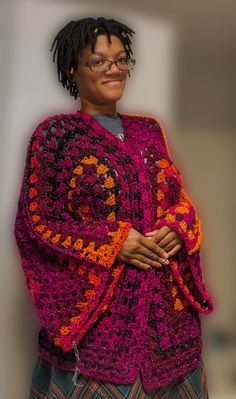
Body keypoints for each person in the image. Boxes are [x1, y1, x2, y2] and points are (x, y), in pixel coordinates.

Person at [14, 16, 214, 399]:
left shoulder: (149, 130)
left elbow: (178, 199)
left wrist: (178, 224)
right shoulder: (56, 135)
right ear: (73, 67)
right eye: (98, 61)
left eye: (122, 59)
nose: (114, 69)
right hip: (100, 333)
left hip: (171, 327)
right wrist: (113, 241)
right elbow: (37, 223)